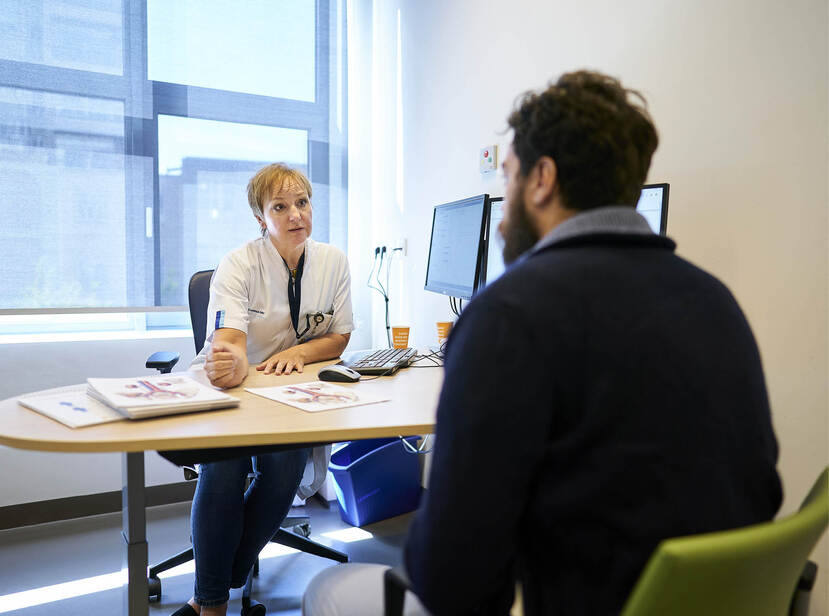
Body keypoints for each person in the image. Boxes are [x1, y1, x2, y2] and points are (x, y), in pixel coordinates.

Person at [301, 70, 782, 615]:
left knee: (328, 591)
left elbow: (451, 579)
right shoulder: (717, 301)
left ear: (543, 179)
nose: (502, 212)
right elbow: (760, 492)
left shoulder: (507, 316)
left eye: (508, 177)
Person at [173, 163, 354, 616]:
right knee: (224, 466)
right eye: (280, 206)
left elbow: (340, 336)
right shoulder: (238, 265)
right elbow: (229, 344)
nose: (296, 215)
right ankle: (211, 604)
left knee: (286, 464)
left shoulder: (333, 262)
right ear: (261, 217)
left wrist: (303, 353)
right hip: (233, 388)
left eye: (303, 203)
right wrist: (230, 360)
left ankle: (222, 577)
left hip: (289, 393)